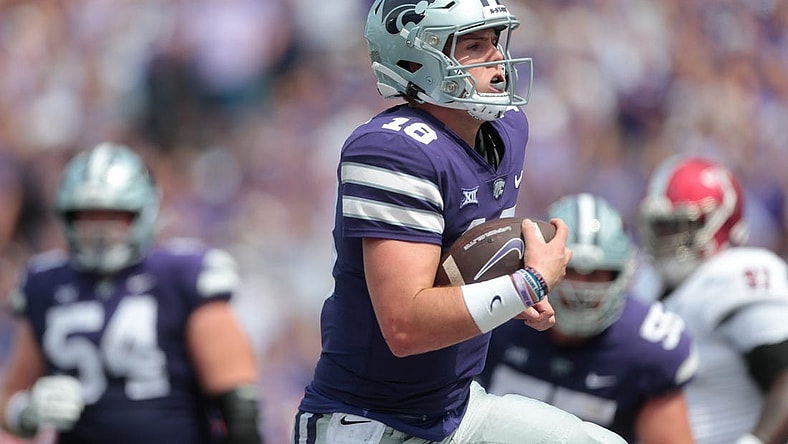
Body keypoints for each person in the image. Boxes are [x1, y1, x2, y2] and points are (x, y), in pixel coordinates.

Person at [292, 1, 626, 443]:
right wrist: (527, 284)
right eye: (474, 45)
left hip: (457, 407)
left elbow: (463, 261)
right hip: (372, 420)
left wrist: (506, 294)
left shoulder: (508, 130)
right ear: (417, 59)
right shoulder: (392, 150)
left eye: (494, 40)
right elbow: (405, 326)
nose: (497, 58)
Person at [0, 143, 264, 444]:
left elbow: (238, 399)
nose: (100, 231)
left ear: (143, 213)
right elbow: (10, 395)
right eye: (87, 217)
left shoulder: (181, 274)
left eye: (114, 216)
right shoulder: (44, 283)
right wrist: (27, 411)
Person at [479, 192, 699, 443]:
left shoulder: (647, 346)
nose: (580, 289)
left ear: (623, 275)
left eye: (596, 273)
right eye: (569, 270)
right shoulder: (499, 312)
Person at [637, 155, 788, 444]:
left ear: (722, 221)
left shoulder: (737, 275)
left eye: (680, 226)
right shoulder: (648, 281)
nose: (666, 237)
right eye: (660, 226)